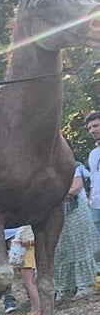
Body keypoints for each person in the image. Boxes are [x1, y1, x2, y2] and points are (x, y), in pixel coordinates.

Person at [54, 162, 99, 297]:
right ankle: (65, 287)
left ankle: (85, 284)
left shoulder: (73, 166)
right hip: (59, 213)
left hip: (77, 212)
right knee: (62, 250)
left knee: (80, 247)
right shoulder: (48, 168)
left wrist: (55, 195)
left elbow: (75, 188)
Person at [13, 225, 41, 315]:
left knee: (28, 282)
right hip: (27, 250)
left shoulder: (29, 223)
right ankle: (35, 309)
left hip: (27, 250)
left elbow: (31, 238)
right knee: (30, 282)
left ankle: (36, 310)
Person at [87, 111, 100, 238]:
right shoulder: (93, 154)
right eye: (90, 128)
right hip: (96, 205)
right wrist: (90, 199)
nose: (92, 130)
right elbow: (93, 180)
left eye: (96, 126)